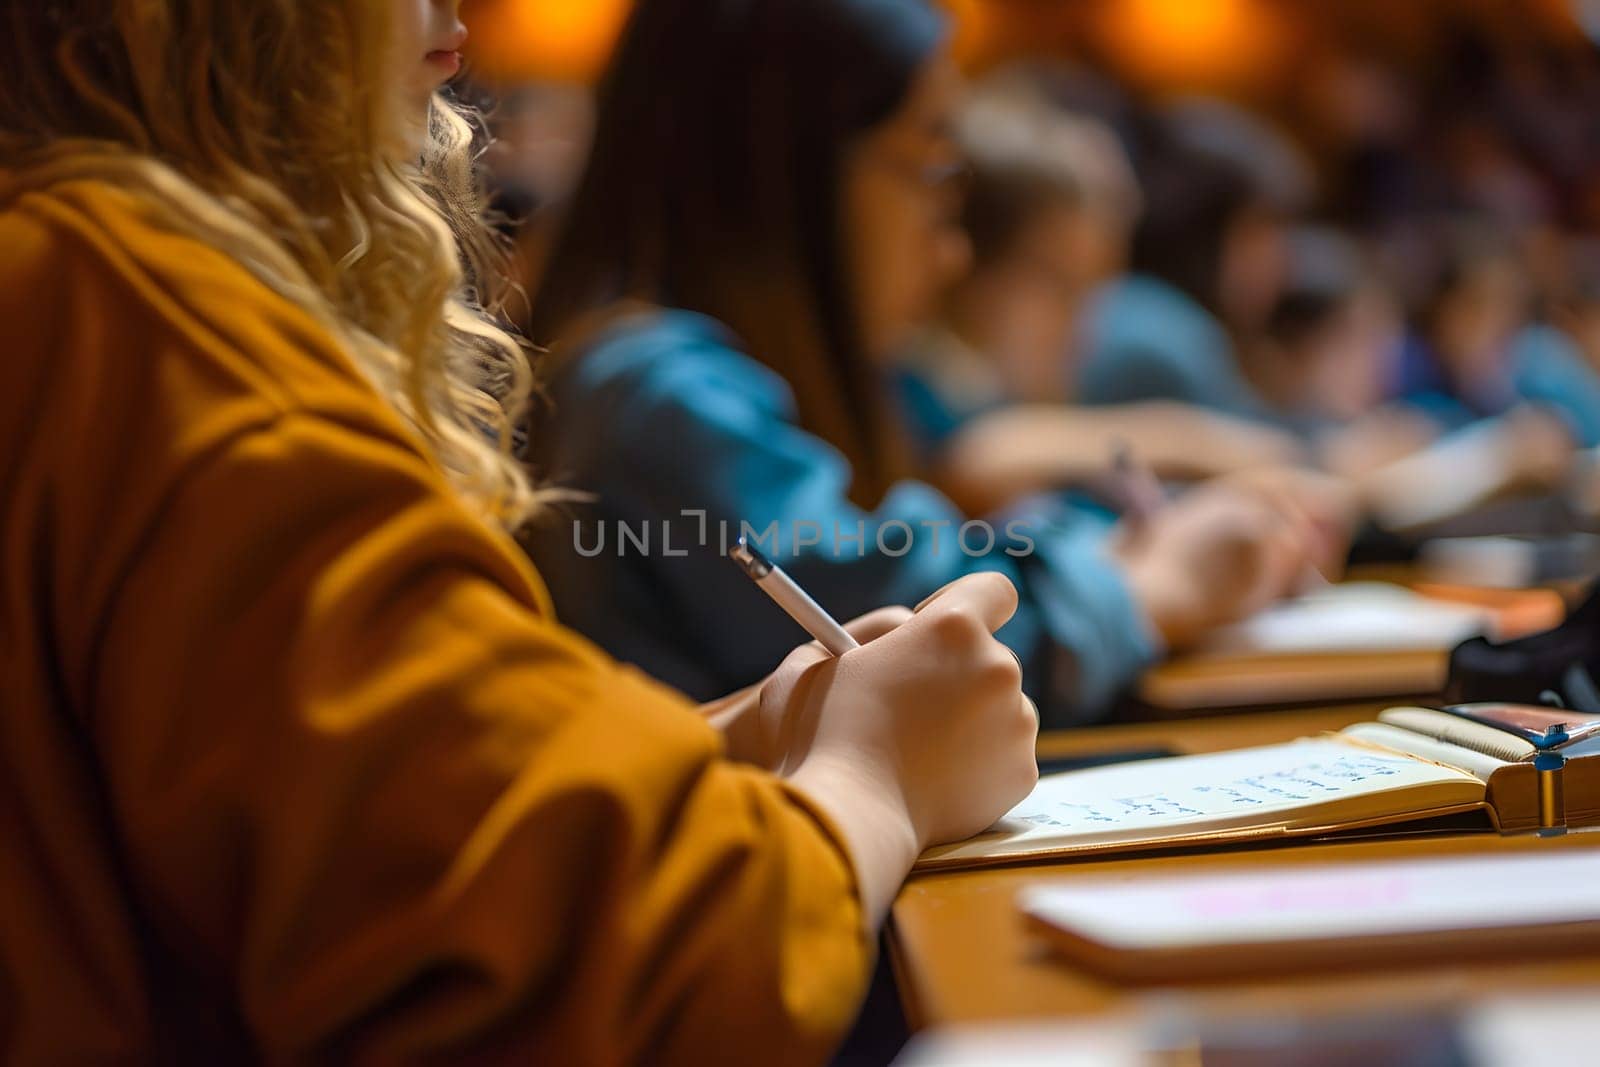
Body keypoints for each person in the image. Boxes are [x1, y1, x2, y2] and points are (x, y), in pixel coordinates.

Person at [0, 1, 1040, 1061]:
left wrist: (731, 740)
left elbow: (382, 813)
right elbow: (606, 963)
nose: (456, 20)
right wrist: (874, 772)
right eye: (930, 173)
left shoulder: (74, 283)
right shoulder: (150, 327)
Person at [527, 0, 1332, 722]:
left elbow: (923, 548)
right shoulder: (656, 386)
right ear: (789, 169)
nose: (951, 255)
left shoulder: (678, 375)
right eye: (935, 172)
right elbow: (903, 640)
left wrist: (1111, 554)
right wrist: (1157, 585)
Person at [896, 76, 1312, 517]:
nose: (1084, 325)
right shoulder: (918, 387)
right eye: (1057, 282)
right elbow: (972, 459)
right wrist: (1188, 440)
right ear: (967, 264)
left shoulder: (986, 392)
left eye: (1091, 290)